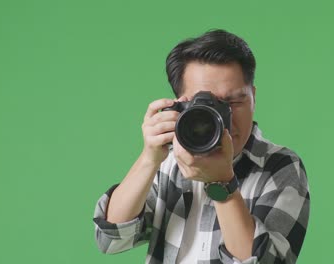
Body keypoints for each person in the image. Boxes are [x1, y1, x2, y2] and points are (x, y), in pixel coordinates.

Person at [93, 29, 310, 264]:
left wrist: (222, 184)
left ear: (253, 98)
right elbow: (111, 239)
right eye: (205, 106)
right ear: (179, 105)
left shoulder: (281, 167)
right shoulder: (168, 159)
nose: (222, 117)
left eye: (234, 102)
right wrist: (149, 158)